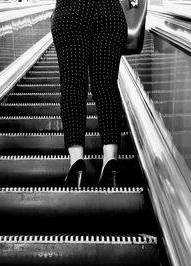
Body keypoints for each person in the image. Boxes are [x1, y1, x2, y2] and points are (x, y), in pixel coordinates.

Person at [51, 0, 127, 187]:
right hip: (110, 11)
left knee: (73, 85)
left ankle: (76, 164)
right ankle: (110, 162)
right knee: (107, 85)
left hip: (72, 11)